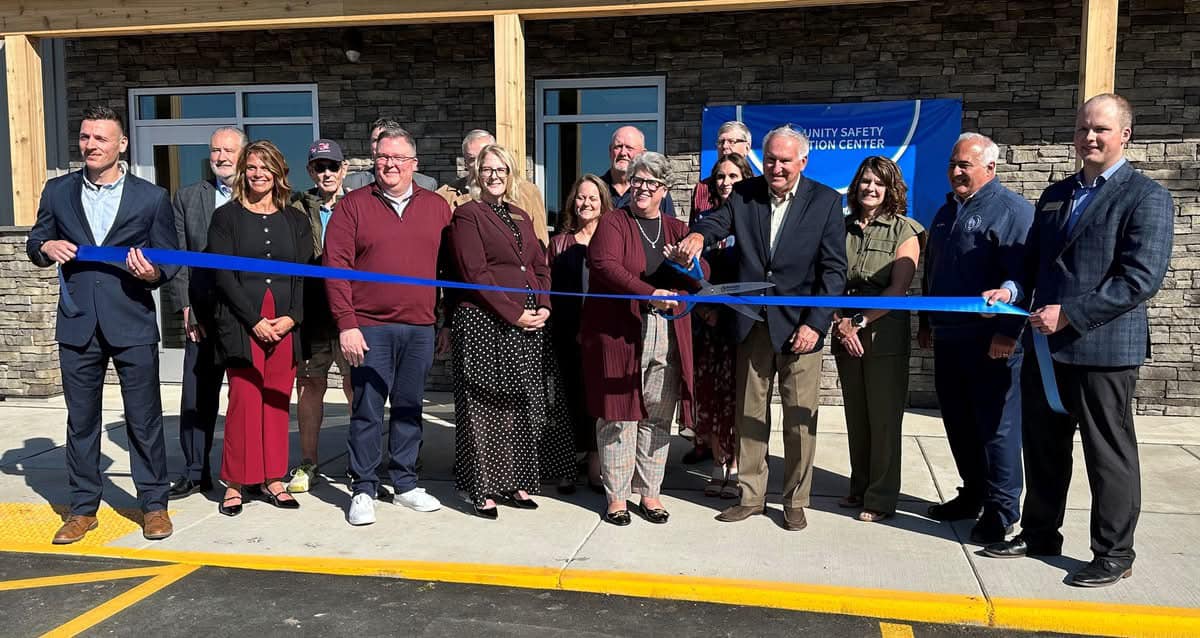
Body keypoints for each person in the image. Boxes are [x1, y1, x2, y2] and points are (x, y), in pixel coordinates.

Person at [981, 94, 1174, 588]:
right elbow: (1032, 264)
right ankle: (1042, 532)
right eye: (1084, 127)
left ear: (1124, 135)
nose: (1090, 136)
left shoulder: (1146, 196)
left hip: (1104, 350)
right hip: (1046, 349)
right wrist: (1011, 289)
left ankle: (1114, 551)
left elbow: (1140, 278)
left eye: (1102, 129)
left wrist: (1070, 313)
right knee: (1044, 448)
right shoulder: (1055, 194)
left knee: (1107, 454)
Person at [674, 125, 847, 532]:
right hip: (751, 325)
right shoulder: (746, 194)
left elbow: (834, 272)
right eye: (770, 159)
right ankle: (751, 496)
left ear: (802, 162)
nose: (777, 167)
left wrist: (816, 324)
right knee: (750, 414)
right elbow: (717, 221)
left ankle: (795, 500)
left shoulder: (824, 202)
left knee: (799, 420)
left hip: (801, 330)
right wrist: (698, 234)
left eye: (785, 160)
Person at [27, 104, 179, 543]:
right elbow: (36, 241)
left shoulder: (151, 198)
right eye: (85, 137)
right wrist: (46, 247)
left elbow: (167, 261)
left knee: (144, 419)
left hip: (130, 320)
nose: (90, 145)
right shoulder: (57, 192)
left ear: (121, 145)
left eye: (100, 139)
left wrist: (152, 273)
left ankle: (153, 505)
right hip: (77, 323)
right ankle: (82, 508)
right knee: (81, 420)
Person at [324, 125, 452, 526]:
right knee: (367, 409)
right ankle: (362, 487)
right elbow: (335, 269)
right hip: (370, 328)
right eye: (382, 157)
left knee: (410, 407)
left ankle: (405, 482)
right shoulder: (353, 206)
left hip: (420, 327)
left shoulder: (436, 208)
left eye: (398, 158)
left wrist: (443, 322)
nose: (389, 164)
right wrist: (347, 324)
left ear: (414, 164)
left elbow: (449, 270)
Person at [446, 144, 575, 518]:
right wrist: (514, 312)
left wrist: (544, 304)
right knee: (484, 407)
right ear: (476, 174)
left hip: (529, 324)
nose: (494, 176)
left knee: (520, 404)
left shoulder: (520, 215)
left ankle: (517, 482)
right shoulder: (467, 215)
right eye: (487, 169)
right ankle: (483, 488)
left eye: (501, 169)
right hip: (485, 322)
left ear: (511, 173)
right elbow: (474, 273)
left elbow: (539, 265)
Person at [917, 133, 1032, 544]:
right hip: (950, 338)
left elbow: (1022, 278)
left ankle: (1002, 512)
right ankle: (973, 495)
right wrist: (927, 322)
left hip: (991, 343)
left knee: (996, 428)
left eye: (965, 164)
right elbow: (933, 271)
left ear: (990, 168)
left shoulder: (1011, 211)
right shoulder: (947, 212)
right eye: (953, 163)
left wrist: (1007, 332)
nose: (957, 171)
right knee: (959, 424)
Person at [582, 152, 700, 526]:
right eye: (638, 181)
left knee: (658, 415)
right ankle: (617, 497)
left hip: (666, 332)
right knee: (619, 416)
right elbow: (604, 265)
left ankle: (650, 493)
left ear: (664, 189)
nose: (643, 189)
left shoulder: (677, 228)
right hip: (621, 334)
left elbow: (701, 275)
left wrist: (687, 262)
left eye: (652, 183)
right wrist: (647, 292)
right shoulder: (614, 223)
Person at [206, 140, 312, 517]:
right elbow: (222, 274)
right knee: (244, 401)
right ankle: (235, 482)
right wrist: (253, 320)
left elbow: (305, 274)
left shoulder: (295, 219)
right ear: (242, 172)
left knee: (277, 400)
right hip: (243, 323)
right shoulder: (226, 217)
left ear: (279, 172)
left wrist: (291, 318)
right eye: (251, 166)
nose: (258, 174)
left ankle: (273, 478)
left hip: (284, 323)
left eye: (266, 167)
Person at [830, 156, 923, 522]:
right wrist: (841, 323)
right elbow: (829, 281)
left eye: (879, 183)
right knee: (857, 414)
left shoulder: (906, 230)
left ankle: (881, 498)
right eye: (866, 181)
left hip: (883, 332)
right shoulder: (840, 228)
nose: (871, 188)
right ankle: (859, 486)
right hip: (844, 329)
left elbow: (898, 288)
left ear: (891, 189)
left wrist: (858, 321)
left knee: (883, 417)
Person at [167, 126, 246, 500]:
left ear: (243, 155)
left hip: (247, 316)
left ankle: (249, 471)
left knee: (246, 395)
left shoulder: (258, 196)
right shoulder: (187, 198)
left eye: (229, 150)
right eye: (216, 150)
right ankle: (195, 471)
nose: (222, 157)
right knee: (197, 395)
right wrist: (185, 306)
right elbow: (178, 257)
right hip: (201, 312)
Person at [285, 138, 354, 494]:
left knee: (355, 385)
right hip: (311, 312)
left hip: (351, 312)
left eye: (332, 166)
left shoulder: (359, 204)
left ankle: (359, 461)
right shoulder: (295, 205)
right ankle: (308, 462)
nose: (326, 173)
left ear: (344, 169)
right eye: (319, 167)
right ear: (310, 171)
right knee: (310, 386)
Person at [691, 153, 754, 498]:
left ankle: (737, 466)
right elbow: (691, 274)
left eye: (733, 175)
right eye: (720, 176)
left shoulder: (755, 220)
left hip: (742, 325)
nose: (726, 182)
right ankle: (718, 464)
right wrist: (704, 311)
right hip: (709, 326)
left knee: (740, 400)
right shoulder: (704, 223)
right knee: (711, 396)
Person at [548, 174, 613, 492]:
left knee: (597, 402)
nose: (586, 203)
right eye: (581, 197)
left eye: (593, 198)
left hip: (602, 336)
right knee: (567, 401)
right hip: (565, 334)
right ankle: (565, 465)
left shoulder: (612, 242)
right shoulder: (559, 243)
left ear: (603, 204)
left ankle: (595, 463)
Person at [437, 129, 550, 245]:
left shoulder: (528, 192)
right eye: (472, 159)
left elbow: (541, 242)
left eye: (484, 156)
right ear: (465, 163)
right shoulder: (445, 196)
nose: (479, 164)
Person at [343, 117, 438, 191]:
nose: (381, 145)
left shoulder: (426, 184)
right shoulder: (351, 183)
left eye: (386, 141)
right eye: (376, 140)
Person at [600, 126, 676, 218]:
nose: (623, 153)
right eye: (618, 147)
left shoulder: (655, 191)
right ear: (610, 150)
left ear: (643, 153)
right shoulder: (596, 188)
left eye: (629, 148)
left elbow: (669, 226)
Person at [689, 121, 753, 217]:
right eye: (721, 142)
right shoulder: (703, 188)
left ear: (747, 148)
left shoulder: (758, 187)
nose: (724, 146)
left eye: (731, 142)